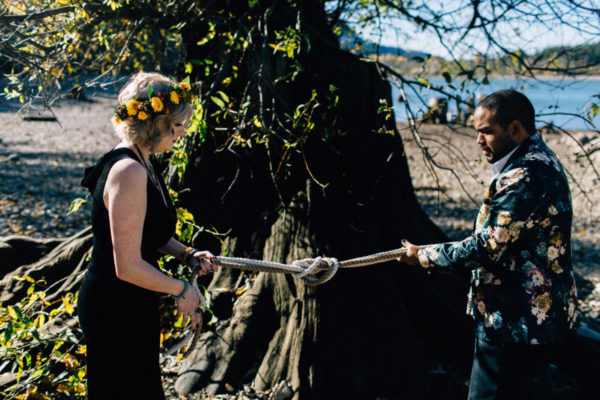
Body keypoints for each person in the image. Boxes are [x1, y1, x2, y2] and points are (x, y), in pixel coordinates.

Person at [398, 89, 578, 399]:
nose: (478, 141)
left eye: (486, 132)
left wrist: (424, 255)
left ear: (515, 128)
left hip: (515, 323)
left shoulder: (522, 176)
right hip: (540, 316)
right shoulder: (542, 158)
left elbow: (488, 247)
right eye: (476, 132)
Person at [77, 72, 217, 400]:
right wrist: (182, 289)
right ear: (155, 123)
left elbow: (145, 235)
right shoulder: (128, 171)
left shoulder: (145, 162)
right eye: (177, 125)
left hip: (131, 299)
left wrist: (186, 253)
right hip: (114, 305)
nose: (181, 134)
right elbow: (126, 265)